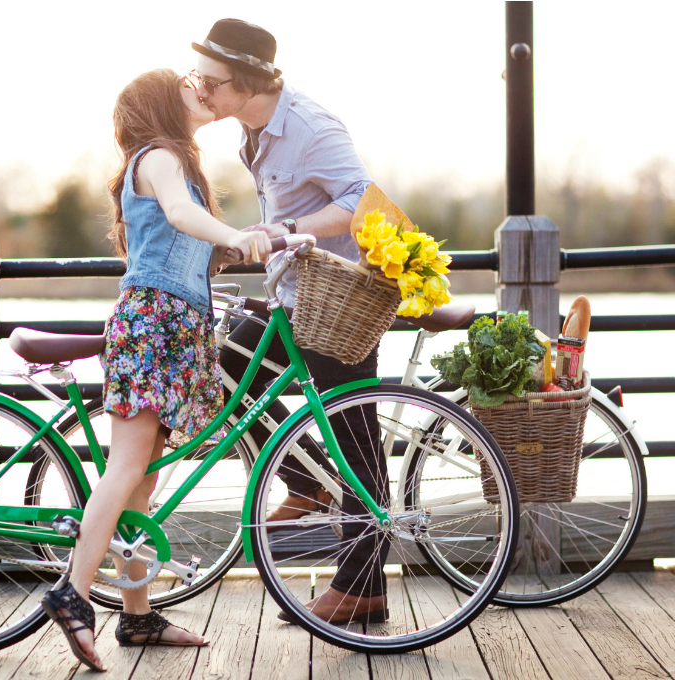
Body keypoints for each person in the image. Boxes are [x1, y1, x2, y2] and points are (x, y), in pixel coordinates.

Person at [41, 68, 272, 671]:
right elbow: (176, 214)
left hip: (175, 325)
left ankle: (137, 617)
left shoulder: (179, 162)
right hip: (154, 325)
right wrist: (235, 234)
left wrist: (236, 243)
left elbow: (185, 236)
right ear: (159, 105)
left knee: (143, 480)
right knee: (126, 467)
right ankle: (75, 591)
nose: (200, 90)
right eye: (186, 85)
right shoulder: (161, 157)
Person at [191, 18, 389, 624]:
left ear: (247, 82)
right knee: (226, 367)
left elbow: (361, 198)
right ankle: (305, 480)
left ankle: (363, 587)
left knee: (354, 435)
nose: (201, 90)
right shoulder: (252, 134)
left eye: (211, 81)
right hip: (292, 296)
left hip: (337, 300)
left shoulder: (308, 126)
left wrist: (287, 231)